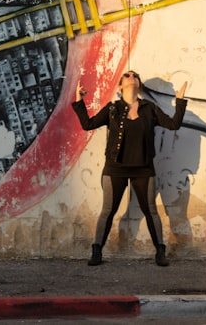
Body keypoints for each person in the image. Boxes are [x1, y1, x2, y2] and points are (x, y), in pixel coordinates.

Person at [72, 71, 187, 266]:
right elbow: (87, 124)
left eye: (135, 75)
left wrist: (180, 101)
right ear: (120, 86)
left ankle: (160, 252)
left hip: (143, 168)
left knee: (150, 210)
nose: (131, 76)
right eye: (127, 75)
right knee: (108, 210)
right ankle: (97, 251)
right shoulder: (112, 109)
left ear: (139, 85)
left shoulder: (150, 108)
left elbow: (173, 124)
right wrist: (79, 101)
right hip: (115, 168)